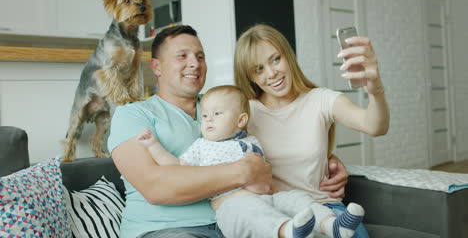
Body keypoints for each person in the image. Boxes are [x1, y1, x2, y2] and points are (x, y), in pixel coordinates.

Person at [108, 25, 349, 238]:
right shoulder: (133, 114)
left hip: (236, 222)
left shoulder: (223, 105)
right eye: (182, 56)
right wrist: (243, 171)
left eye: (200, 56)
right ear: (156, 67)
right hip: (168, 229)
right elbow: (157, 187)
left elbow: (282, 133)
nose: (194, 63)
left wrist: (326, 159)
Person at [136, 85, 365, 238]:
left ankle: (332, 225)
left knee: (296, 198)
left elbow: (291, 150)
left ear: (241, 120)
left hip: (269, 198)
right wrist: (153, 146)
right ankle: (286, 230)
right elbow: (176, 167)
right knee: (251, 212)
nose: (208, 120)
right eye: (205, 115)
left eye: (217, 114)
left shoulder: (252, 139)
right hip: (232, 208)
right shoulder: (202, 146)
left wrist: (329, 157)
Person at [231, 24, 390, 238]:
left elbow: (375, 127)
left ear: (288, 55)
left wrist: (375, 89)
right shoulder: (246, 113)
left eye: (275, 59)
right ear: (250, 77)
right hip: (277, 215)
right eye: (258, 69)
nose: (272, 73)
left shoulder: (321, 99)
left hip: (326, 209)